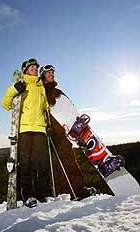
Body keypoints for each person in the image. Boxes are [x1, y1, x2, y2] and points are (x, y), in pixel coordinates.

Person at [40, 64, 96, 200]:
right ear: (42, 75)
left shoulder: (58, 92)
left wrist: (76, 123)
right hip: (48, 134)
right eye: (48, 72)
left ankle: (78, 190)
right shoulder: (40, 92)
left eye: (53, 72)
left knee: (70, 160)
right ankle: (58, 193)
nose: (52, 74)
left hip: (62, 133)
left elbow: (69, 109)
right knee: (52, 166)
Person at [1, 58, 51, 208]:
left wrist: (47, 122)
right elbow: (5, 104)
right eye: (31, 67)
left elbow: (45, 107)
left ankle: (42, 195)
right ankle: (28, 196)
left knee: (41, 164)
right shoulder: (20, 84)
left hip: (40, 130)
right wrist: (15, 89)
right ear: (25, 70)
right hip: (24, 130)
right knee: (26, 164)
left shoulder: (41, 86)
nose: (35, 69)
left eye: (36, 67)